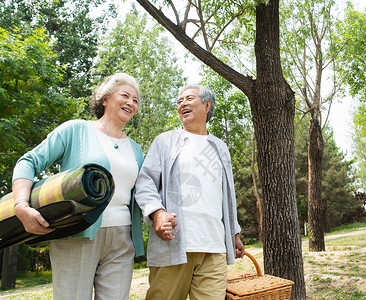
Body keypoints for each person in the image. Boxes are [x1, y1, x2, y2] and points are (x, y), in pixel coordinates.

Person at [12, 73, 145, 300]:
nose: (131, 103)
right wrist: (21, 204)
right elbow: (28, 162)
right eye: (125, 95)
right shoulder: (75, 130)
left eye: (135, 100)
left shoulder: (135, 149)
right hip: (78, 233)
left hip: (122, 239)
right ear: (105, 99)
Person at [135, 84, 245, 300]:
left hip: (214, 247)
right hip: (174, 244)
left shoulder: (220, 147)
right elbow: (145, 182)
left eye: (189, 98)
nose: (182, 104)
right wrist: (157, 213)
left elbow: (227, 195)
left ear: (207, 105)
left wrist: (234, 233)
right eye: (179, 101)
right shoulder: (165, 141)